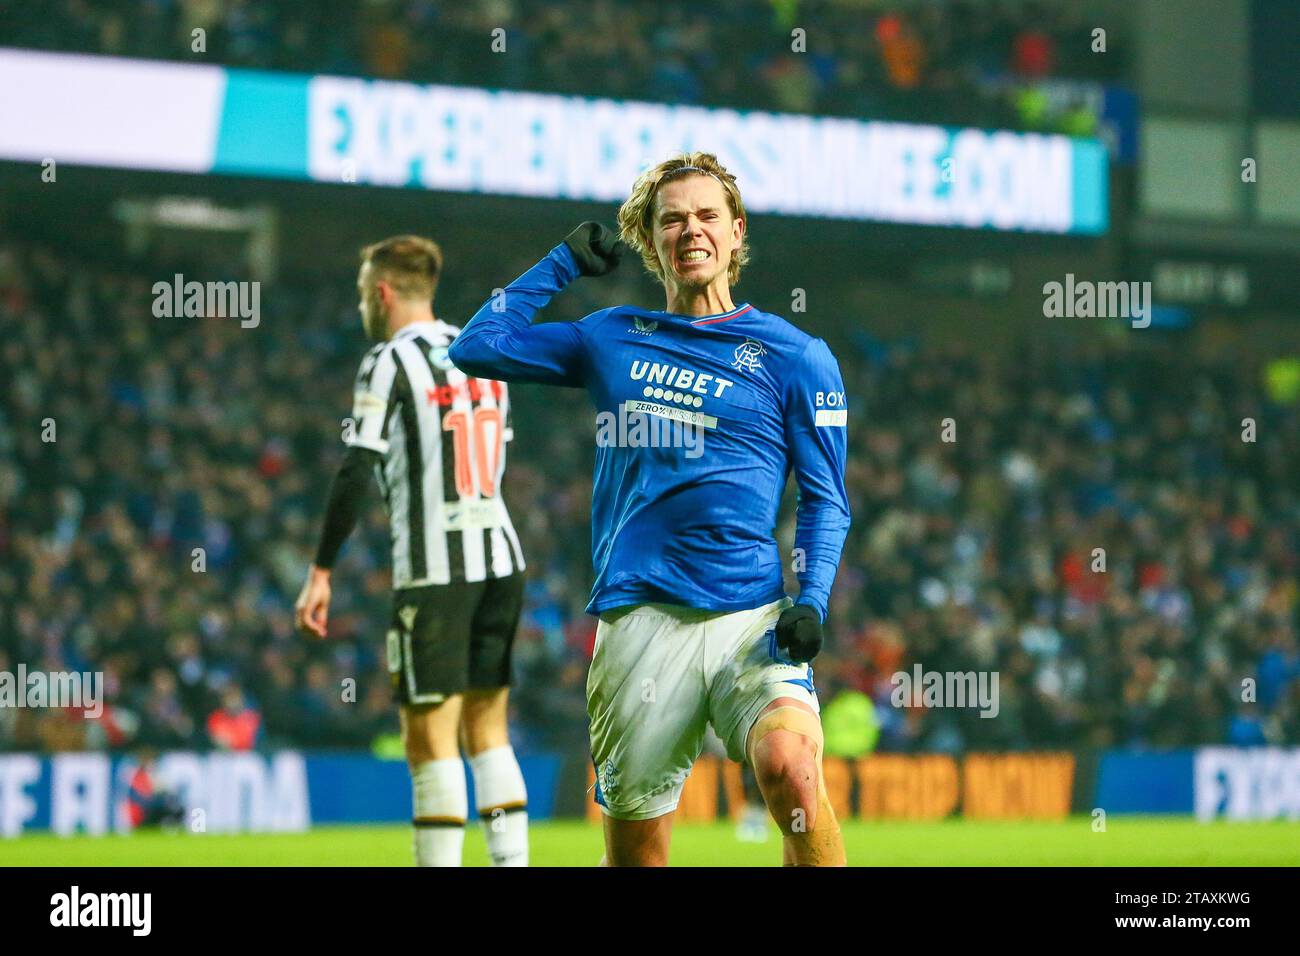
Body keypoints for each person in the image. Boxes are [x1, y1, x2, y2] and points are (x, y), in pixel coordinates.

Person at [450, 152, 851, 866]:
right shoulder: (609, 336)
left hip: (750, 620)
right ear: (649, 238)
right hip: (639, 622)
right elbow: (478, 347)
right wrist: (561, 262)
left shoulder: (797, 357)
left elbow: (826, 497)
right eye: (671, 219)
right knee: (638, 852)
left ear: (735, 232)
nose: (690, 229)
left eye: (706, 216)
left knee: (792, 770)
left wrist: (812, 599)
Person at [295, 236, 529, 867]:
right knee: (489, 733)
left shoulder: (388, 359)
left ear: (382, 292)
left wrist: (321, 569)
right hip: (501, 560)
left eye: (362, 293)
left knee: (430, 742)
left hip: (436, 570)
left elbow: (356, 465)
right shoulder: (481, 348)